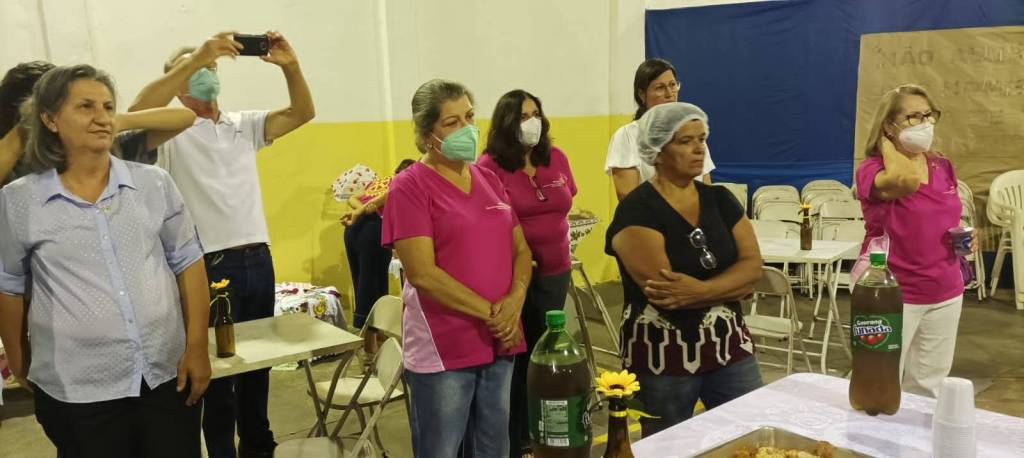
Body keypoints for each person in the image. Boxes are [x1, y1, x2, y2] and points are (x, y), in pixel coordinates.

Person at [0, 64, 210, 457]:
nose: (102, 117)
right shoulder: (20, 200)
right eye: (85, 107)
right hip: (78, 390)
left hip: (164, 375)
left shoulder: (153, 184)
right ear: (49, 120)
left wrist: (197, 346)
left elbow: (188, 263)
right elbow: (9, 285)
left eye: (108, 106)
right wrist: (19, 359)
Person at [129, 30, 315, 458]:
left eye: (211, 67)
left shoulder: (242, 125)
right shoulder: (171, 132)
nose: (207, 73)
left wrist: (290, 67)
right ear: (178, 81)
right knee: (216, 375)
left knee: (259, 366)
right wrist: (195, 58)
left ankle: (257, 445)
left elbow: (302, 112)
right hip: (208, 265)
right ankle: (220, 450)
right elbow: (136, 114)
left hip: (257, 258)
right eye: (197, 68)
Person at [381, 79, 532, 457]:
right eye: (452, 122)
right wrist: (494, 314)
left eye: (469, 116)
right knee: (442, 448)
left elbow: (520, 250)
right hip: (444, 345)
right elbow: (423, 273)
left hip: (501, 337)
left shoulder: (488, 179)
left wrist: (515, 301)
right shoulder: (410, 187)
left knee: (494, 445)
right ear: (427, 134)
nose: (467, 128)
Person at [605, 102, 763, 437]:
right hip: (662, 356)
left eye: (702, 139)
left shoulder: (720, 199)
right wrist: (731, 287)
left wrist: (703, 290)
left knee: (748, 435)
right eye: (685, 141)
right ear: (658, 150)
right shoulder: (637, 210)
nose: (699, 148)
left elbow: (753, 268)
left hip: (729, 347)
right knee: (669, 444)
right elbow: (667, 293)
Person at [855, 84, 972, 398]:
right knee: (878, 384)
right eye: (913, 117)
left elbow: (946, 216)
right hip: (891, 293)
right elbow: (905, 181)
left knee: (928, 387)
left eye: (929, 115)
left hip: (945, 289)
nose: (925, 124)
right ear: (889, 125)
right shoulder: (872, 170)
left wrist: (963, 235)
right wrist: (886, 144)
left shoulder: (942, 165)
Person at [477, 89, 576, 457]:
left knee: (544, 350)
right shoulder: (488, 167)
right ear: (506, 123)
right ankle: (515, 436)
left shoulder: (556, 158)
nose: (532, 122)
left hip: (556, 271)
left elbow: (567, 198)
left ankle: (540, 428)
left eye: (536, 114)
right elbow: (487, 222)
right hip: (516, 275)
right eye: (522, 116)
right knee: (517, 357)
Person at [1, 61, 197, 181]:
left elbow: (185, 117)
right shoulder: (15, 171)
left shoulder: (102, 149)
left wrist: (118, 120)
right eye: (84, 106)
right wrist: (25, 128)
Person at [605, 58, 716, 201]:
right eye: (660, 88)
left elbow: (706, 190)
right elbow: (627, 196)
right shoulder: (627, 136)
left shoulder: (692, 132)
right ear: (642, 94)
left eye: (673, 85)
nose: (669, 93)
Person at [341, 159, 416, 329]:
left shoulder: (379, 182)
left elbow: (352, 198)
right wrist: (369, 208)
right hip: (372, 229)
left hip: (353, 228)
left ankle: (367, 329)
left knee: (361, 279)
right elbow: (390, 194)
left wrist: (362, 209)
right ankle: (371, 334)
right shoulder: (402, 182)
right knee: (373, 281)